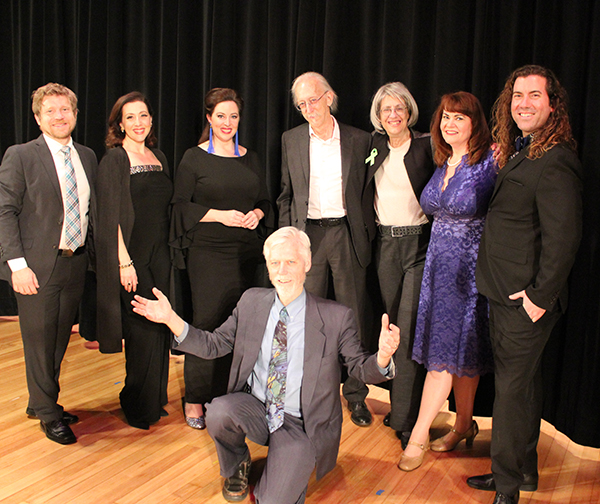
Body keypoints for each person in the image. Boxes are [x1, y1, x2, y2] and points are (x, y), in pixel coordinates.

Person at [131, 226, 399, 504]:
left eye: (291, 262)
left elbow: (358, 367)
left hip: (301, 423)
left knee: (273, 500)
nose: (282, 271)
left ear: (307, 263)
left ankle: (290, 466)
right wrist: (170, 318)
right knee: (220, 412)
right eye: (275, 263)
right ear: (268, 268)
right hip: (257, 408)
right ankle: (238, 465)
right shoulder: (251, 302)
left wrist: (382, 357)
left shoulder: (335, 317)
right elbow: (214, 344)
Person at [468, 65, 582, 504]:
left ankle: (507, 488)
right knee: (525, 387)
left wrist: (539, 296)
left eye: (535, 95)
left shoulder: (556, 161)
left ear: (553, 104)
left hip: (525, 301)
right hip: (505, 294)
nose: (524, 103)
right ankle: (524, 471)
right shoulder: (526, 151)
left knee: (512, 394)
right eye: (518, 95)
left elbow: (564, 238)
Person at [398, 92, 497, 472]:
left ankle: (419, 436)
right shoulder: (444, 162)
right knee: (461, 358)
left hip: (470, 274)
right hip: (438, 270)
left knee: (445, 359)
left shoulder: (491, 159)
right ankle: (463, 424)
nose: (450, 124)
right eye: (445, 118)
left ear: (475, 122)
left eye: (459, 118)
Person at [0, 83, 97, 444]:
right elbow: (4, 211)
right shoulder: (21, 155)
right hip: (35, 266)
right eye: (51, 111)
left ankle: (40, 401)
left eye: (65, 110)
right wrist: (17, 265)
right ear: (38, 118)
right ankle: (48, 413)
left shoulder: (86, 156)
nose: (59, 116)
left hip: (74, 262)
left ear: (74, 114)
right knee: (39, 341)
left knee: (57, 339)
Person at [277, 71, 374, 427]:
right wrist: (288, 240)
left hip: (346, 235)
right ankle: (308, 397)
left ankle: (357, 396)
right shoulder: (291, 140)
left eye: (313, 100)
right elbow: (285, 194)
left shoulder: (360, 140)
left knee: (353, 318)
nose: (308, 108)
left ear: (329, 97)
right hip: (308, 237)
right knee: (305, 319)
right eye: (301, 104)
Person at [170, 88, 271, 430]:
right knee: (208, 322)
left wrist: (257, 213)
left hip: (249, 254)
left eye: (234, 116)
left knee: (243, 327)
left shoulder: (251, 157)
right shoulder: (193, 158)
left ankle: (228, 395)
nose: (227, 123)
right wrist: (219, 215)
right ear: (210, 118)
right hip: (209, 254)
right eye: (221, 116)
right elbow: (181, 206)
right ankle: (195, 398)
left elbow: (266, 201)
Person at [94, 92, 173, 429]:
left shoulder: (159, 157)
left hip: (161, 255)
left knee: (160, 326)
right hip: (133, 257)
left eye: (143, 116)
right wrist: (123, 262)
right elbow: (106, 216)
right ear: (120, 124)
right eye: (131, 117)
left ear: (151, 120)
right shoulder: (114, 159)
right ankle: (137, 402)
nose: (138, 123)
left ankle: (155, 398)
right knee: (140, 330)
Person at [364, 82, 435, 446]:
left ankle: (406, 419)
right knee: (390, 327)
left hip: (420, 244)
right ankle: (400, 406)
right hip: (385, 245)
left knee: (406, 330)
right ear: (378, 116)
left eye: (399, 109)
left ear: (409, 111)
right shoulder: (371, 148)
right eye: (385, 110)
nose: (393, 116)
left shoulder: (427, 144)